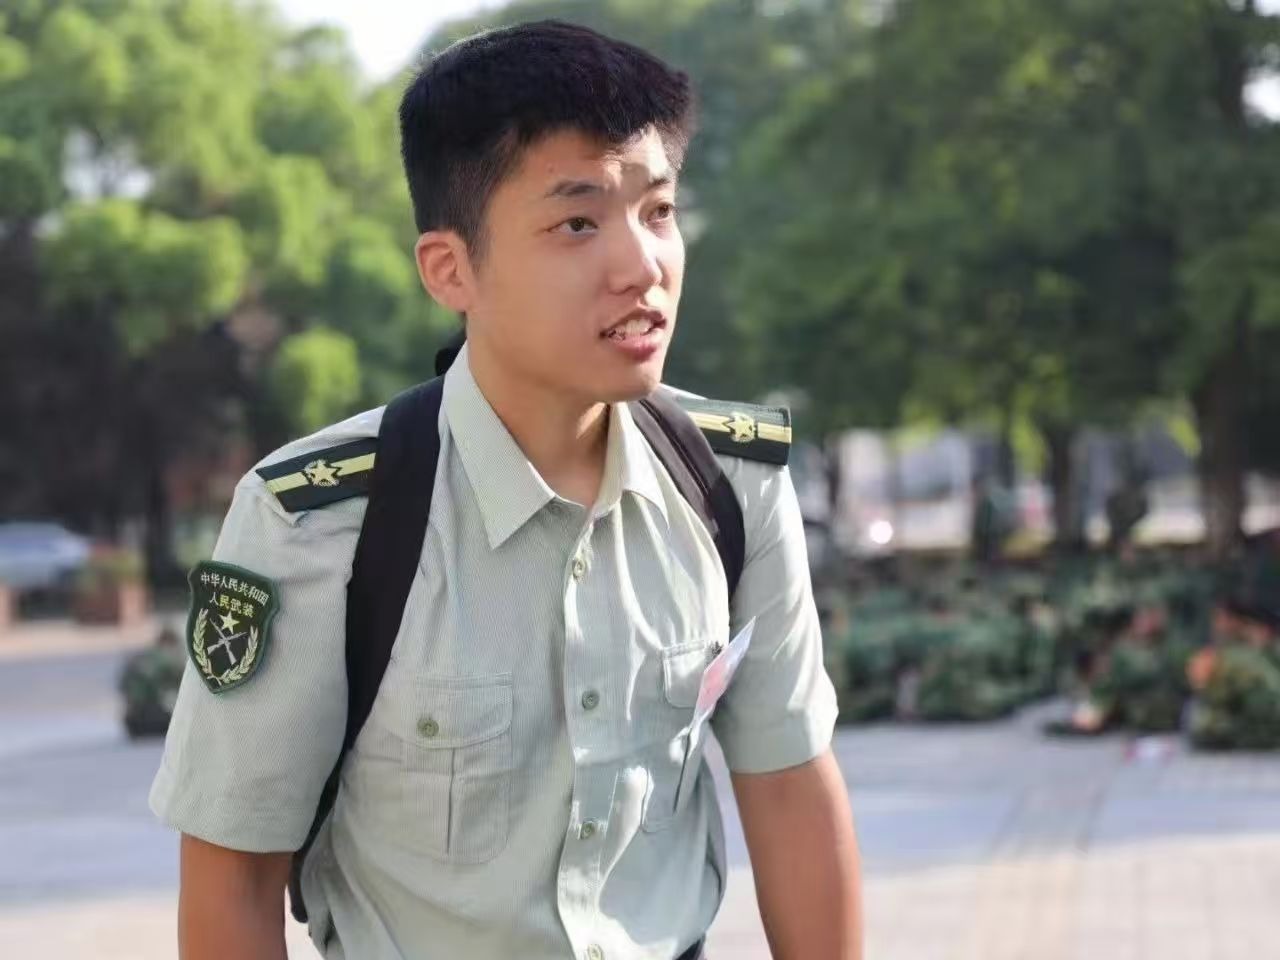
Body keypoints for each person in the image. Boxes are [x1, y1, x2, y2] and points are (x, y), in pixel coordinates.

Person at [150, 19, 862, 960]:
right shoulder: (318, 523)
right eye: (577, 223)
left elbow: (791, 788)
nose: (641, 266)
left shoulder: (730, 484)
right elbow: (233, 878)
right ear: (452, 270)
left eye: (658, 211)